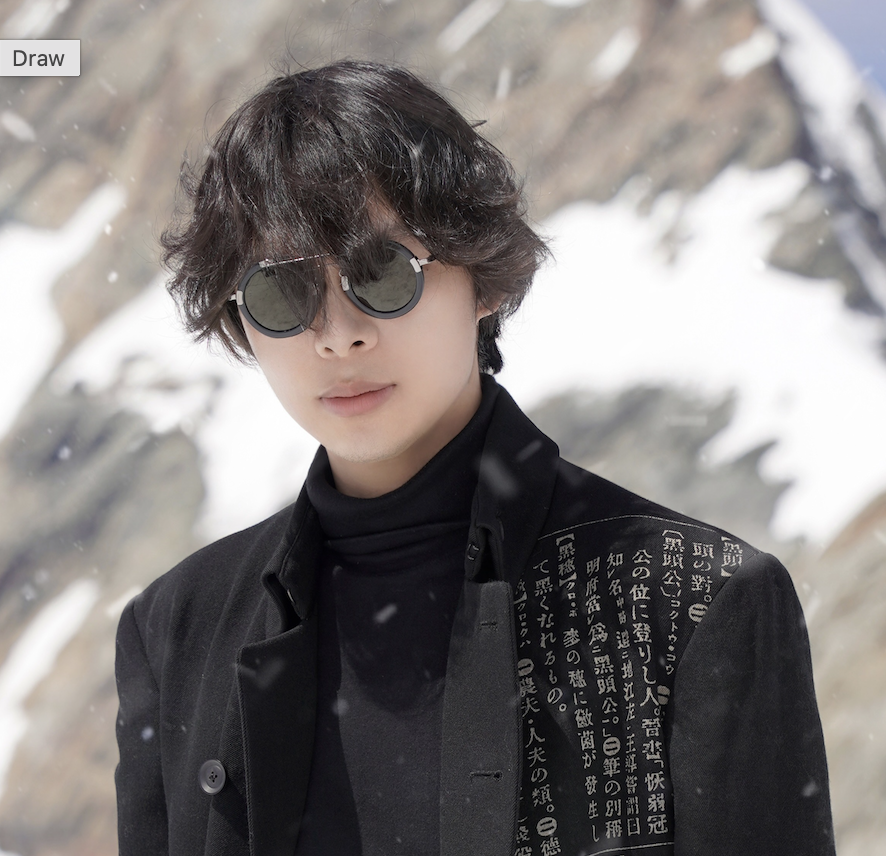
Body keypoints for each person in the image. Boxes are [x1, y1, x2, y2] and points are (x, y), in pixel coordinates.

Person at [114, 60, 836, 856]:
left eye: (381, 273)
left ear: (482, 280)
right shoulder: (175, 629)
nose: (337, 335)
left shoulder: (697, 602)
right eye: (281, 293)